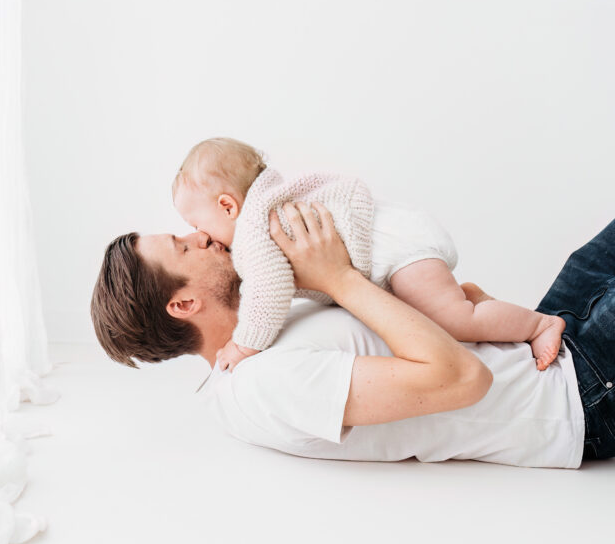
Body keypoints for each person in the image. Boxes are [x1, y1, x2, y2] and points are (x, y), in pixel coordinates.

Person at [90, 202, 615, 468]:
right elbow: (463, 379)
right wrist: (336, 276)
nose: (200, 234)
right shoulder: (259, 386)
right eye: (183, 247)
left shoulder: (264, 324)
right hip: (582, 395)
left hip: (555, 335)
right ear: (183, 305)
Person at [171, 138, 566, 373]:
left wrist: (244, 345)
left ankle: (537, 326)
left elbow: (267, 290)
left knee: (454, 322)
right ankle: (471, 298)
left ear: (227, 205)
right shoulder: (267, 206)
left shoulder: (255, 230)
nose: (199, 234)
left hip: (395, 247)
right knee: (429, 316)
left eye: (196, 222)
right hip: (393, 240)